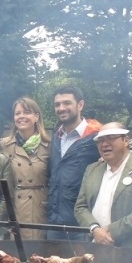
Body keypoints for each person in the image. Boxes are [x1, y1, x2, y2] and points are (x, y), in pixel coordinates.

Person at [74, 122, 132, 247]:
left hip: (131, 250)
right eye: (100, 140)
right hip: (95, 246)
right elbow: (80, 207)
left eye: (111, 138)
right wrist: (95, 229)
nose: (105, 144)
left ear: (126, 140)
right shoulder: (92, 169)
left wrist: (109, 232)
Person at [47, 85, 102, 240]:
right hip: (53, 222)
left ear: (80, 105)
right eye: (57, 104)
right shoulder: (55, 138)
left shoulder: (96, 138)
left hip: (81, 225)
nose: (61, 108)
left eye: (66, 103)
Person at [0, 97, 50, 240]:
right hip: (14, 206)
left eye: (26, 112)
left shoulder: (50, 145)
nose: (21, 116)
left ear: (36, 117)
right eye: (17, 113)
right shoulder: (4, 145)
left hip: (39, 207)